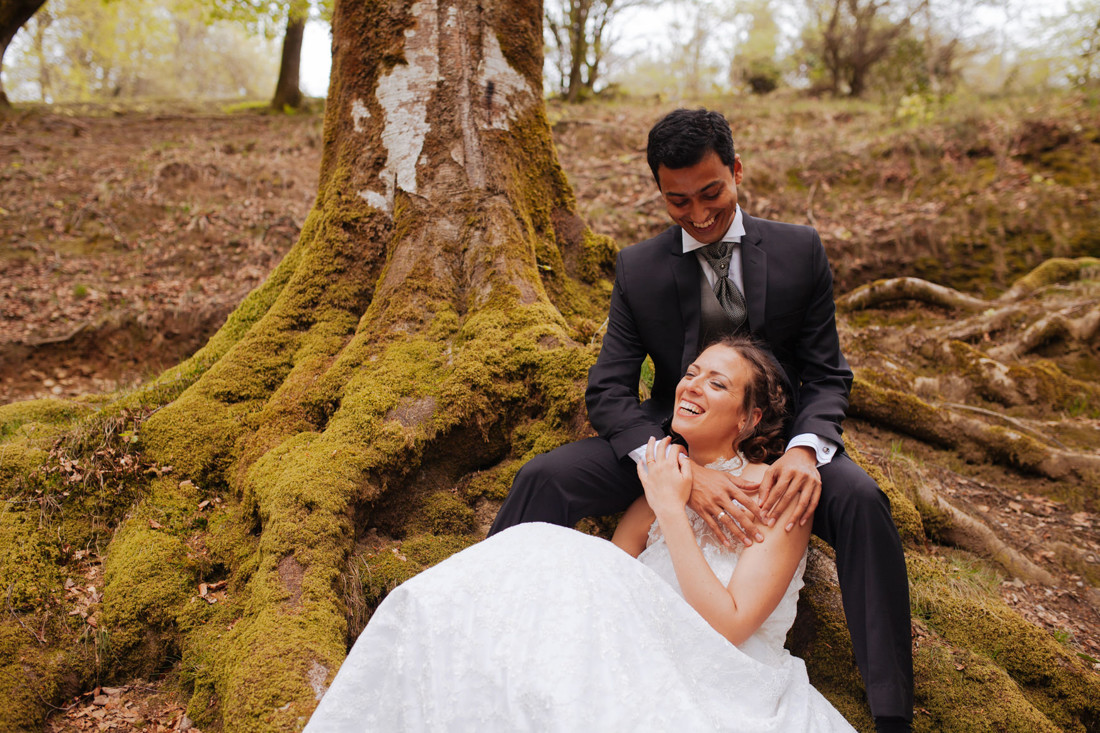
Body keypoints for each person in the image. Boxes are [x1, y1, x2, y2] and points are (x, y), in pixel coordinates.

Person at [489, 109, 913, 733]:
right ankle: (496, 626)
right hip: (671, 436)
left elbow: (826, 374)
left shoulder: (799, 251)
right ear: (660, 192)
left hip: (776, 444)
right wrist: (678, 467)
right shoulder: (640, 268)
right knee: (546, 476)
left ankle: (892, 712)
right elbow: (608, 390)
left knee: (862, 502)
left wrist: (804, 451)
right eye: (677, 200)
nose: (698, 213)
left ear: (737, 171)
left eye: (711, 192)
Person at [305, 338, 856, 731]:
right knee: (531, 557)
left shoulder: (776, 495)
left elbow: (732, 626)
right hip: (632, 647)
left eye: (718, 383)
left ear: (749, 419)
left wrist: (671, 509)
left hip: (718, 670)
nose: (692, 385)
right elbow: (608, 585)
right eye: (691, 373)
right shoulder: (658, 485)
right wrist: (668, 497)